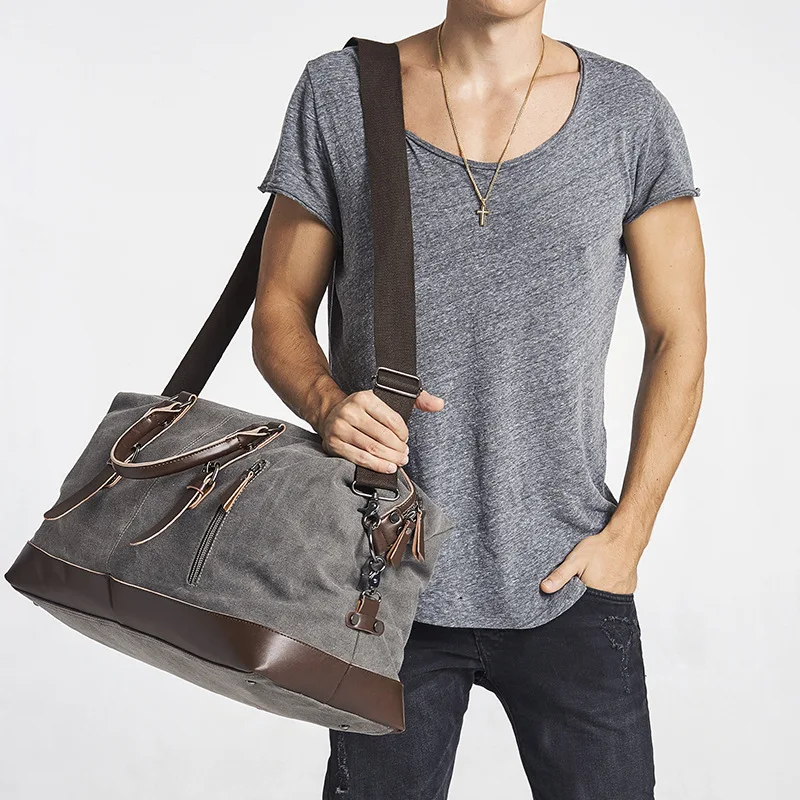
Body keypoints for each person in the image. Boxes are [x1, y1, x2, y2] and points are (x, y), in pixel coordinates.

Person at [251, 1, 706, 797]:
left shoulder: (629, 115)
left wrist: (629, 536)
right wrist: (325, 402)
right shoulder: (342, 94)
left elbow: (680, 337)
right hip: (383, 581)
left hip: (571, 577)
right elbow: (279, 308)